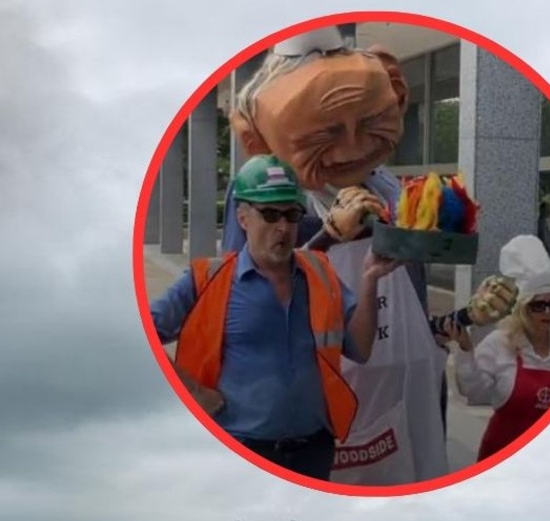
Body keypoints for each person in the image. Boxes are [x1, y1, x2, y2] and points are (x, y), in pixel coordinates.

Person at [219, 26, 516, 485]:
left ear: (397, 93)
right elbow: (242, 301)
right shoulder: (266, 201)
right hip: (320, 411)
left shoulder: (392, 193)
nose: (354, 146)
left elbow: (406, 316)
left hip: (409, 400)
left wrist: (464, 316)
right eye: (324, 133)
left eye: (371, 120)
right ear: (255, 136)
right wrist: (329, 237)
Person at [150, 155, 400, 480]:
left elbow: (360, 349)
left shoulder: (320, 273)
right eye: (269, 215)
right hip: (240, 449)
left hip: (313, 448)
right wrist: (195, 393)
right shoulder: (206, 279)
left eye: (291, 214)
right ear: (242, 218)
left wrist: (369, 279)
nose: (283, 227)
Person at [445, 235, 550, 462]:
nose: (548, 312)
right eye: (538, 305)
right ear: (522, 309)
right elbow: (473, 391)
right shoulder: (500, 343)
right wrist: (466, 349)